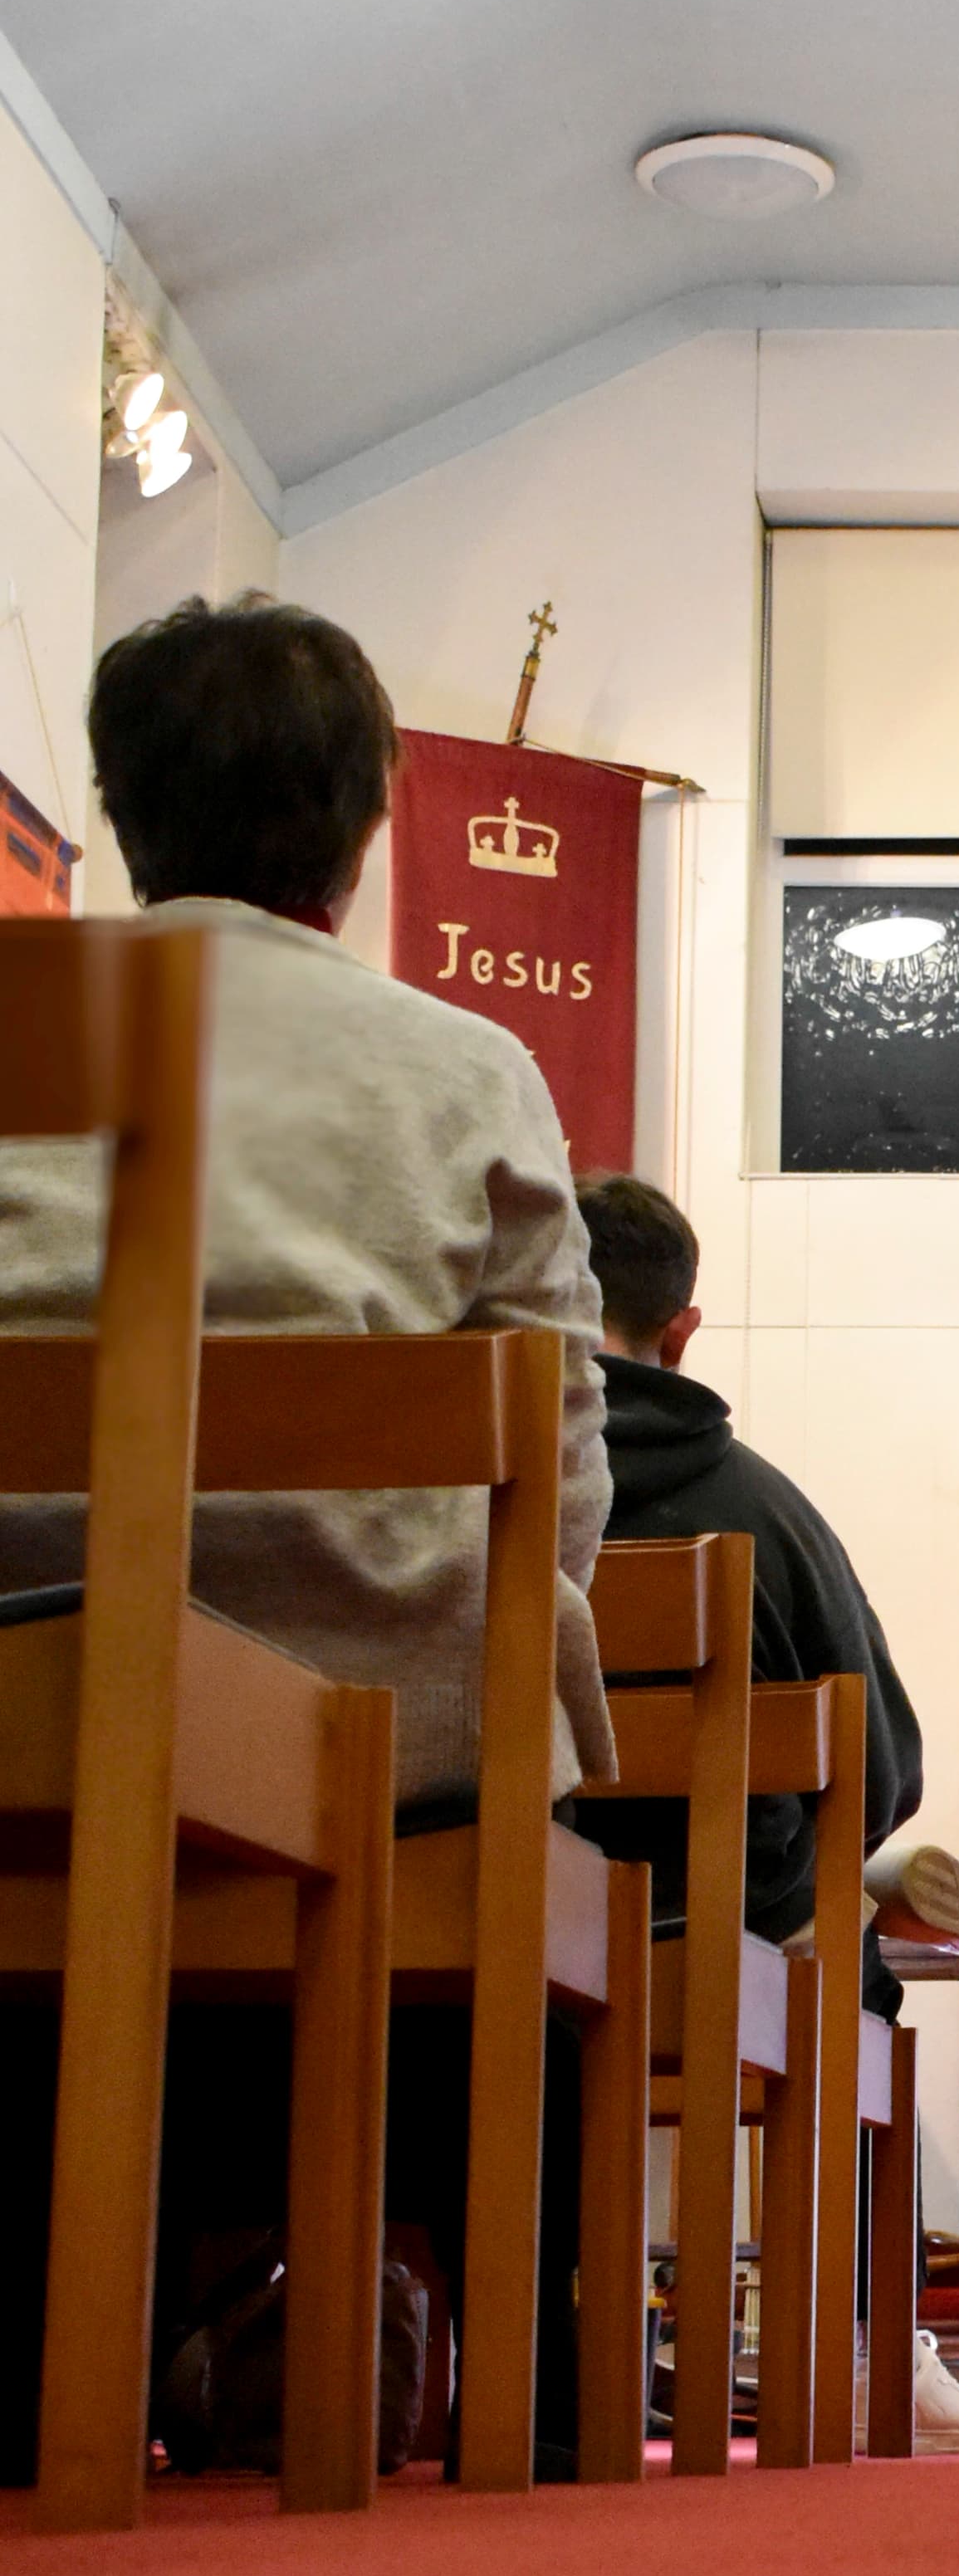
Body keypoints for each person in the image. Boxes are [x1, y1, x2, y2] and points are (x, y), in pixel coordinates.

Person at [0, 592, 614, 2471]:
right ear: (362, 831)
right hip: (377, 1735)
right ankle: (472, 2333)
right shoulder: (464, 1063)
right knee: (505, 1707)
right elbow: (559, 1459)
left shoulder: (25, 1020)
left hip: (19, 1692)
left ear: (120, 807)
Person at [573, 1171, 959, 2454]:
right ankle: (876, 2344)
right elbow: (883, 1771)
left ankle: (474, 2322)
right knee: (846, 1953)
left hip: (499, 1926)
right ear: (681, 1331)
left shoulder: (466, 1483)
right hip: (722, 1947)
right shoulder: (768, 1511)